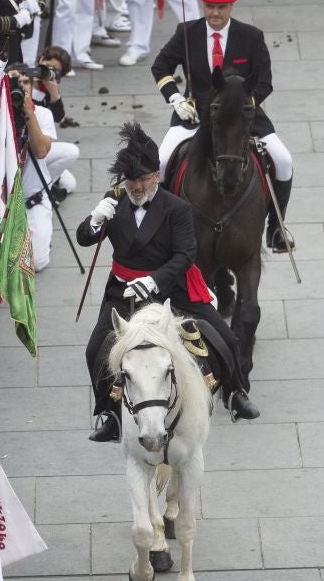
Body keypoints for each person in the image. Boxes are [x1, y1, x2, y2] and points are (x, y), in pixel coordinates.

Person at [79, 122, 260, 443]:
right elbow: (85, 240)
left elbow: (186, 253)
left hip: (170, 287)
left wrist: (153, 280)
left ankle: (234, 392)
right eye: (131, 180)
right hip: (123, 290)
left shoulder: (177, 208)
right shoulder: (115, 200)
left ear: (157, 177)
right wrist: (94, 220)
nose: (136, 186)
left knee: (224, 338)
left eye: (144, 179)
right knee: (96, 349)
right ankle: (108, 414)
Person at [150, 0, 295, 251]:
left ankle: (276, 228)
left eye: (221, 7)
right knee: (159, 163)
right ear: (202, 6)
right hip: (194, 114)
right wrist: (176, 98)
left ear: (231, 7)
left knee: (283, 160)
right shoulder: (186, 33)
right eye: (209, 7)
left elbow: (264, 81)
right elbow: (161, 67)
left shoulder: (251, 36)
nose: (215, 13)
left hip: (242, 115)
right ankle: (162, 226)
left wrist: (243, 104)